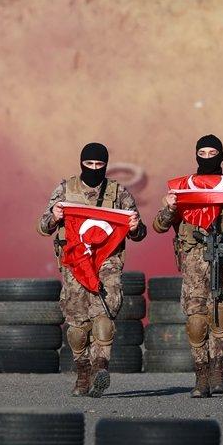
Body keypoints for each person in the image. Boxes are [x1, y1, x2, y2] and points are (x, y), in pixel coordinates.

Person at [152, 135, 223, 397]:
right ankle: (201, 376)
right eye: (203, 153)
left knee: (219, 317)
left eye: (213, 153)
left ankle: (218, 373)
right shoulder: (184, 188)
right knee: (196, 321)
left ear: (221, 155)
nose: (208, 158)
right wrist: (170, 208)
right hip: (193, 265)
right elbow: (159, 226)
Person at [38, 142, 145, 397]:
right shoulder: (66, 189)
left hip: (108, 262)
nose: (94, 168)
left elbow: (139, 232)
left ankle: (100, 368)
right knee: (77, 325)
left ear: (106, 165)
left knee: (103, 317)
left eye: (99, 164)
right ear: (81, 163)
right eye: (89, 164)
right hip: (75, 262)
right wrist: (55, 216)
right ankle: (83, 372)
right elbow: (43, 227)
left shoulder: (118, 193)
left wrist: (134, 227)